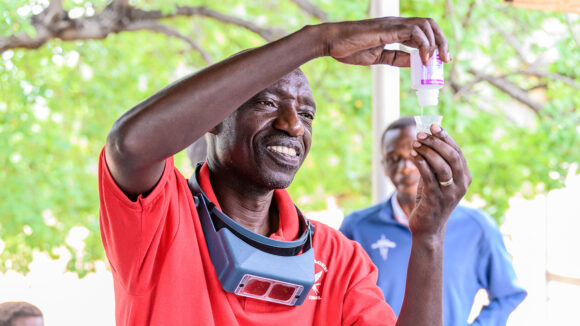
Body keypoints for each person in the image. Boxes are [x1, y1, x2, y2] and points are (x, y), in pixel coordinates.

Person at [99, 17, 471, 326]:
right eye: (267, 102)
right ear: (212, 118)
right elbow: (129, 144)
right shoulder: (160, 218)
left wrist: (429, 237)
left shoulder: (337, 257)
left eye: (307, 114)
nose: (293, 125)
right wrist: (319, 40)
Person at [340, 117, 527, 326]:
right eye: (394, 159)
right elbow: (340, 299)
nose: (404, 168)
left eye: (413, 157)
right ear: (384, 165)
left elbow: (508, 294)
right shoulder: (357, 227)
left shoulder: (477, 227)